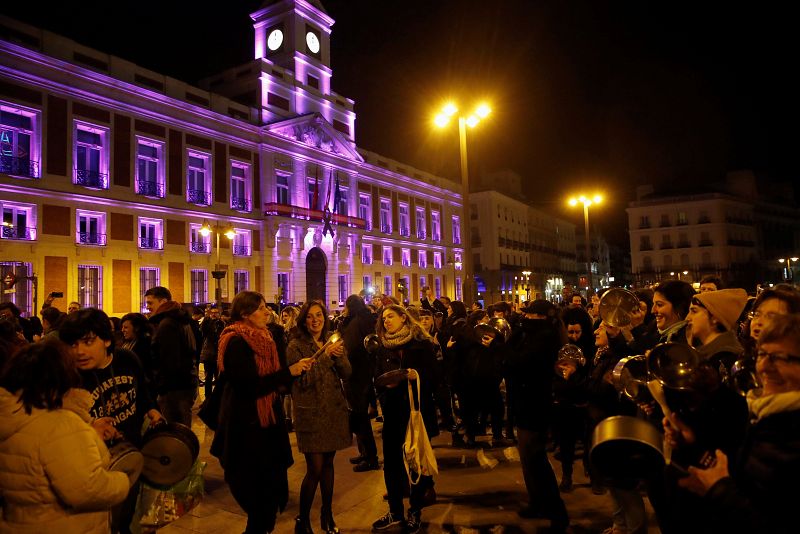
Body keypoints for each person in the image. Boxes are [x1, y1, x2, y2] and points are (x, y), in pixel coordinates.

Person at [676, 313, 800, 533]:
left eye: (780, 357)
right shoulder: (764, 412)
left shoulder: (789, 427)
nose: (765, 367)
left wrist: (719, 490)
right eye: (762, 354)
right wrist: (692, 444)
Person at [210, 291, 314, 534]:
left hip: (267, 422)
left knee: (269, 498)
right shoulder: (235, 341)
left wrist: (289, 378)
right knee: (256, 499)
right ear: (245, 314)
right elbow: (248, 386)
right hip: (245, 426)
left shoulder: (265, 337)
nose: (267, 312)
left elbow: (272, 379)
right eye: (261, 308)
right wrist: (289, 373)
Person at [0, 341, 130, 533]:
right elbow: (87, 490)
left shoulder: (13, 415)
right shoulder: (59, 425)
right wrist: (122, 479)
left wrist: (89, 430)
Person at [59, 308, 163, 534]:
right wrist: (88, 428)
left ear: (106, 340)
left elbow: (142, 389)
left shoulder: (127, 358)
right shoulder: (68, 376)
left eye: (87, 342)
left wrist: (152, 409)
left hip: (130, 451)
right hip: (92, 463)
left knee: (126, 512)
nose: (79, 352)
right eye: (73, 344)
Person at [372, 305, 439, 534]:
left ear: (403, 318)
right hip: (392, 412)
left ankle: (415, 511)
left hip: (415, 413)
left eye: (391, 316)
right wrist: (384, 388)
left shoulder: (421, 344)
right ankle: (395, 511)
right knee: (391, 464)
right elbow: (377, 376)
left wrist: (415, 376)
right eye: (383, 318)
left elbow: (435, 378)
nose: (386, 321)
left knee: (414, 464)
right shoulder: (382, 346)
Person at [287, 301, 351, 534]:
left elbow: (347, 373)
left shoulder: (331, 341)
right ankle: (303, 519)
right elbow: (303, 381)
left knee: (329, 465)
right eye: (310, 317)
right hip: (311, 413)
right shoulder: (296, 346)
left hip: (333, 410)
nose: (315, 321)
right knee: (314, 468)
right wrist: (325, 357)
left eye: (319, 316)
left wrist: (340, 356)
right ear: (304, 321)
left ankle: (327, 513)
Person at [506, 299, 569, 532]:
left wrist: (509, 343)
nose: (525, 318)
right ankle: (538, 502)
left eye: (529, 315)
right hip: (527, 402)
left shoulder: (544, 337)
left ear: (541, 317)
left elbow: (521, 362)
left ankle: (556, 511)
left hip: (536, 403)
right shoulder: (533, 334)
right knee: (528, 459)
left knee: (536, 458)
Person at [144, 286, 198, 427]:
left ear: (163, 302)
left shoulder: (167, 324)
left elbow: (169, 361)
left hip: (174, 389)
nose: (147, 307)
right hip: (184, 384)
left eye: (150, 303)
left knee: (176, 432)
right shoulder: (179, 319)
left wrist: (161, 387)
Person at [339, 295, 380, 472]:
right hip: (355, 374)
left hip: (358, 375)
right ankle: (364, 453)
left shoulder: (360, 321)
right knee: (357, 416)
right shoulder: (357, 320)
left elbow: (358, 347)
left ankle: (371, 457)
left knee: (360, 417)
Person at [119, 312, 155, 397]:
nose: (122, 330)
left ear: (137, 328)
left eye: (126, 327)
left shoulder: (145, 344)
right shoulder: (126, 343)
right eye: (122, 327)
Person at [200, 305, 226, 399]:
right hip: (208, 354)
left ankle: (217, 398)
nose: (214, 314)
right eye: (212, 313)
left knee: (218, 378)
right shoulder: (207, 322)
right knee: (208, 378)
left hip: (218, 354)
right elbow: (203, 332)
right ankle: (208, 398)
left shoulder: (222, 324)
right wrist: (207, 318)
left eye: (216, 313)